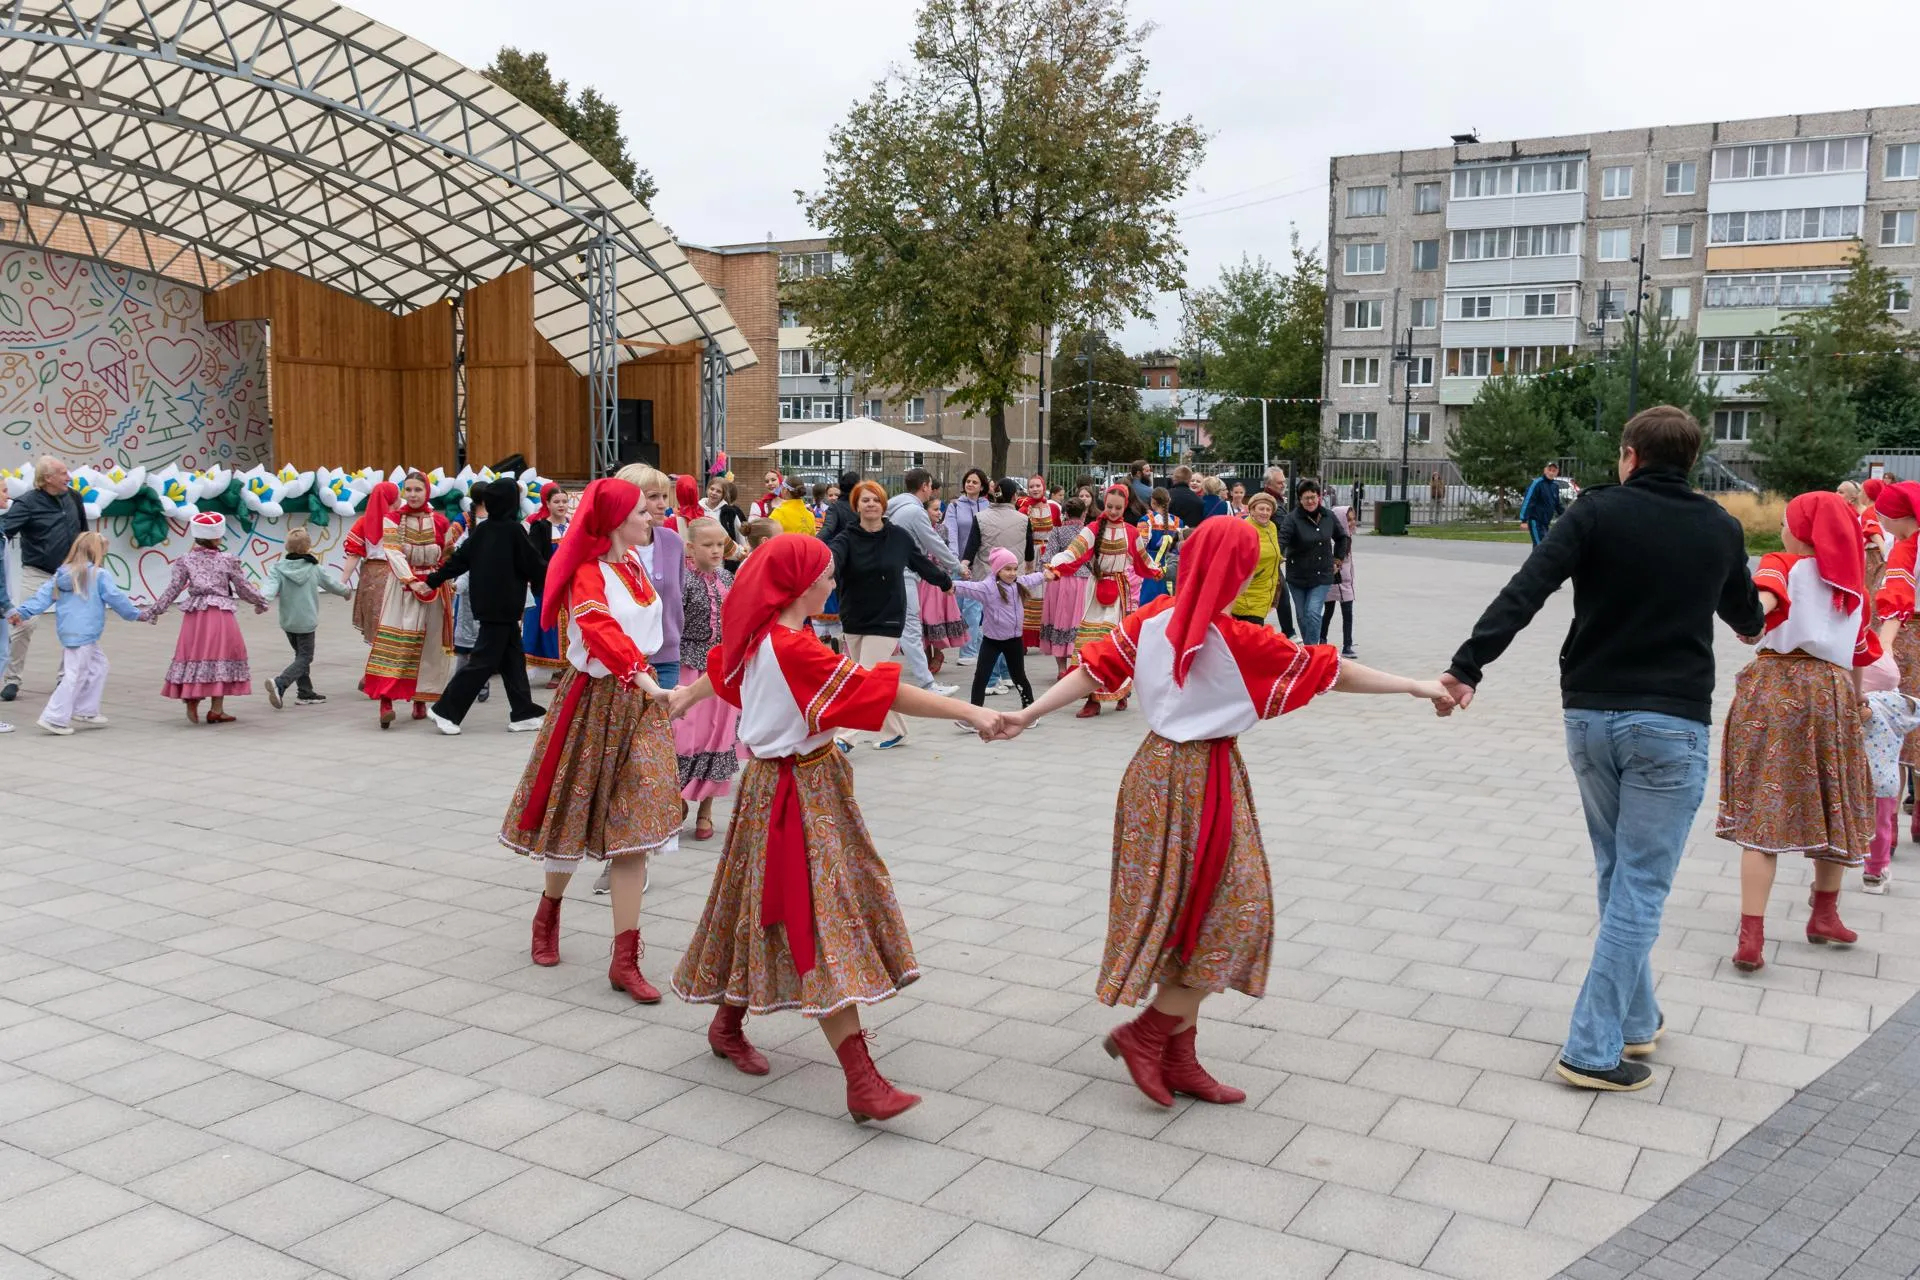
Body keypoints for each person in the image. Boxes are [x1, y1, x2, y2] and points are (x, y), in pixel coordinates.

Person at [1000, 518, 1452, 1107]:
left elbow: (1093, 670)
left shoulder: (1151, 619)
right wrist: (1417, 686)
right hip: (1201, 779)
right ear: (1239, 572)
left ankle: (1179, 1058)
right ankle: (1148, 1035)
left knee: (1184, 912)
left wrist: (1028, 716)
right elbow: (1331, 669)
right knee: (1238, 910)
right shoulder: (1237, 638)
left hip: (1149, 774)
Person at [1440, 406, 1764, 1093]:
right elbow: (1746, 617)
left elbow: (1526, 589)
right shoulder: (1719, 526)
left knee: (1621, 870)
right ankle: (1590, 1048)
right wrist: (1755, 605)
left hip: (1589, 716)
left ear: (1629, 456)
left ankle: (1636, 1020)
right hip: (1671, 725)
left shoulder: (1594, 514)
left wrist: (1468, 665)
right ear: (1691, 459)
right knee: (1642, 881)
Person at [667, 534, 1000, 1119]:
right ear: (799, 586)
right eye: (824, 574)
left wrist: (682, 698)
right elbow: (881, 689)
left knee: (758, 903)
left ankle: (727, 1023)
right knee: (818, 915)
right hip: (796, 792)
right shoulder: (790, 649)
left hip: (790, 785)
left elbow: (720, 668)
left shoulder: (765, 636)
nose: (831, 581)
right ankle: (860, 1078)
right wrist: (971, 712)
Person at [500, 477, 678, 1002]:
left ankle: (625, 959)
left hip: (639, 706)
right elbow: (599, 630)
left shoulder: (635, 565)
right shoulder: (587, 572)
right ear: (615, 519)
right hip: (594, 703)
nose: (651, 516)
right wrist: (647, 681)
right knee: (570, 816)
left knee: (637, 823)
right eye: (641, 510)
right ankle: (548, 913)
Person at [1720, 491, 1877, 971]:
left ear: (1801, 531)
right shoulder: (1852, 588)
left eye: (1789, 522)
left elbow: (1756, 616)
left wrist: (1753, 614)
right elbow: (1856, 657)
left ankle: (1752, 935)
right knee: (1834, 802)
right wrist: (1859, 701)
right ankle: (1824, 914)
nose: (1784, 530)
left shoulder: (1781, 563)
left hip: (1775, 686)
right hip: (1830, 693)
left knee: (1765, 811)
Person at [830, 481, 955, 749]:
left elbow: (920, 562)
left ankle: (845, 736)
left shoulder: (898, 537)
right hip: (854, 615)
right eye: (865, 500)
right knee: (873, 679)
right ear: (856, 506)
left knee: (863, 678)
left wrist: (945, 582)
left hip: (887, 616)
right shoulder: (846, 538)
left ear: (883, 504)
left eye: (875, 499)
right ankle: (895, 730)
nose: (871, 504)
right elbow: (833, 561)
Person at [421, 479, 548, 733]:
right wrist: (561, 577)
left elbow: (459, 560)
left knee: (513, 660)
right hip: (502, 608)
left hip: (492, 607)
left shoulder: (482, 530)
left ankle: (523, 712)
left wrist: (433, 581)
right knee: (482, 662)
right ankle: (445, 710)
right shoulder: (514, 531)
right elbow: (534, 565)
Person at [141, 513, 270, 724]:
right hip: (220, 615)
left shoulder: (185, 560)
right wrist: (259, 601)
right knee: (222, 657)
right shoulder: (227, 560)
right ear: (217, 537)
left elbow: (173, 589)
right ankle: (217, 709)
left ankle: (193, 697)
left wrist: (156, 610)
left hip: (195, 616)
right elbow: (243, 586)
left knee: (195, 655)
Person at [1047, 484, 1162, 718]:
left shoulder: (1131, 532)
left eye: (1118, 508)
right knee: (1090, 645)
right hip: (1095, 591)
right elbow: (1074, 552)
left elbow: (1142, 560)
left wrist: (1156, 570)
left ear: (1125, 506)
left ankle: (1118, 692)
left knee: (1113, 644)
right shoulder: (1092, 529)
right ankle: (1093, 698)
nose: (1113, 511)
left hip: (1119, 594)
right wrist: (1055, 566)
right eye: (1109, 506)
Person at [6, 532, 139, 734]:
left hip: (72, 631)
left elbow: (41, 597)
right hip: (84, 632)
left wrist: (22, 612)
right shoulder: (99, 575)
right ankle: (54, 717)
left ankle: (86, 709)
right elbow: (116, 598)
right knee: (75, 675)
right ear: (97, 552)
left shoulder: (61, 574)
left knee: (98, 666)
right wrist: (137, 615)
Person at [361, 471, 456, 729]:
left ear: (427, 492)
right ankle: (386, 700)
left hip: (434, 590)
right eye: (409, 490)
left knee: (430, 644)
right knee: (399, 641)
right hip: (404, 590)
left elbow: (448, 555)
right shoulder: (392, 519)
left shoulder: (440, 521)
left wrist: (439, 581)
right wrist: (412, 581)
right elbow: (392, 553)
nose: (413, 494)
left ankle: (420, 699)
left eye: (418, 489)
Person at [673, 519, 741, 842]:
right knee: (685, 736)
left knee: (719, 735)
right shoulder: (681, 581)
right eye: (708, 545)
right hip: (689, 666)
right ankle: (678, 799)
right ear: (690, 548)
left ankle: (706, 809)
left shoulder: (729, 578)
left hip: (722, 669)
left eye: (720, 545)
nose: (715, 551)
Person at [1, 455, 88, 702]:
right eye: (62, 473)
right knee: (23, 624)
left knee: (74, 628)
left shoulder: (73, 497)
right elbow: (4, 530)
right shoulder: (27, 503)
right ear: (47, 478)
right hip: (37, 573)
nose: (68, 477)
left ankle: (66, 678)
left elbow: (83, 533)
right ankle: (12, 680)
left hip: (71, 573)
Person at [1871, 482, 1920, 840]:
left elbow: (1897, 602)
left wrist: (1884, 647)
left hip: (1908, 641)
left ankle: (1888, 832)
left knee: (1898, 728)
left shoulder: (1906, 549)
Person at [887, 470, 963, 697]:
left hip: (896, 573)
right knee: (910, 628)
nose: (932, 489)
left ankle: (865, 677)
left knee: (896, 628)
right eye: (930, 485)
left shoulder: (896, 506)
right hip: (905, 574)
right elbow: (934, 542)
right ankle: (927, 685)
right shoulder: (914, 512)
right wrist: (957, 566)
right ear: (924, 486)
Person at [262, 526, 352, 707]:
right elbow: (331, 584)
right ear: (308, 546)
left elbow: (269, 588)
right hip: (306, 621)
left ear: (287, 546)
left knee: (300, 655)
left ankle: (305, 692)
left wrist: (263, 601)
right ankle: (281, 683)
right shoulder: (314, 568)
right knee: (305, 657)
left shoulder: (277, 568)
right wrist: (346, 592)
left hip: (288, 621)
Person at [951, 548, 1045, 712]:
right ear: (997, 570)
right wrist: (949, 584)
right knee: (981, 677)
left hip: (1014, 641)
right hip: (991, 642)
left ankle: (1030, 711)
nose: (1012, 573)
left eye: (1015, 569)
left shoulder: (1018, 584)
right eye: (1007, 569)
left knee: (1019, 677)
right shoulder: (987, 588)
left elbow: (1032, 579)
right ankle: (975, 714)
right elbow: (968, 587)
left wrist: (1046, 575)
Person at [961, 477, 1030, 695]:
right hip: (1013, 576)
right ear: (1014, 497)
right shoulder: (1023, 519)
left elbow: (972, 546)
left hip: (987, 576)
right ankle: (1008, 673)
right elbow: (1029, 553)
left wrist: (964, 566)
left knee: (990, 628)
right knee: (1009, 628)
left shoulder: (980, 517)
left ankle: (991, 678)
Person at [1860, 653, 1920, 893]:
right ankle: (1875, 872)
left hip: (1853, 779)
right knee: (1880, 827)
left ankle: (1828, 872)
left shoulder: (1853, 705)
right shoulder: (1899, 704)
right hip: (1885, 782)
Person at [1276, 480, 1350, 647]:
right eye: (1306, 498)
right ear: (1300, 499)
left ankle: (1312, 651)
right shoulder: (1292, 519)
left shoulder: (1328, 516)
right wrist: (1276, 555)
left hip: (1322, 575)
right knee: (1302, 616)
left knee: (1312, 613)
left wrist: (1338, 559)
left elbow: (1341, 537)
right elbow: (1282, 540)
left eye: (1313, 497)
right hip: (1298, 577)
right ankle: (1310, 649)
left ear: (1319, 497)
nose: (1310, 501)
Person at [341, 480, 399, 649]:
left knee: (376, 620)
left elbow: (353, 555)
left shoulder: (363, 522)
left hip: (370, 576)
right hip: (395, 573)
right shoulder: (400, 521)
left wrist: (343, 583)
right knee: (394, 620)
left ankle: (376, 666)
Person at [945, 469, 993, 671]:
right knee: (960, 606)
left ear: (982, 486)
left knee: (972, 609)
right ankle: (977, 643)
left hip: (981, 564)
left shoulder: (989, 506)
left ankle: (968, 651)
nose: (970, 484)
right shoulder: (955, 506)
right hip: (960, 562)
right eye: (968, 481)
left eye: (974, 482)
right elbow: (951, 532)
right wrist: (957, 561)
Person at [523, 484, 571, 686]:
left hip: (572, 583)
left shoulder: (573, 525)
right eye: (556, 502)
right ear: (547, 504)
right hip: (549, 584)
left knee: (572, 624)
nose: (561, 505)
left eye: (564, 501)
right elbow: (534, 556)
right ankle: (557, 669)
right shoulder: (541, 527)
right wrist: (553, 571)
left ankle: (569, 668)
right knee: (552, 626)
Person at [917, 496, 968, 670]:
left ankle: (939, 652)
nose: (939, 513)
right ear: (924, 511)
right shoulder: (916, 528)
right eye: (935, 509)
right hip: (920, 578)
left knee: (937, 615)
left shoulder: (942, 529)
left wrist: (947, 572)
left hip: (938, 578)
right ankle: (924, 654)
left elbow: (944, 552)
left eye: (940, 509)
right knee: (921, 617)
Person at [1040, 497, 1089, 677]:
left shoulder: (1057, 532)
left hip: (1059, 580)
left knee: (1059, 620)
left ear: (1065, 514)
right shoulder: (1087, 532)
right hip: (1082, 581)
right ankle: (1078, 666)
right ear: (1084, 513)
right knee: (1079, 623)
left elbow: (1047, 558)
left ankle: (1061, 668)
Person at [1020, 475, 1063, 650]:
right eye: (1031, 486)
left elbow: (1059, 530)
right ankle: (1024, 639)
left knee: (1047, 595)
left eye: (1038, 486)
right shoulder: (1023, 509)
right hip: (1030, 554)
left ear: (1044, 487)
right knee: (1029, 595)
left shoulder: (1053, 508)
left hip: (1049, 554)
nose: (1035, 489)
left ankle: (1045, 636)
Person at [1231, 492, 1284, 628]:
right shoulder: (1244, 528)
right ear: (1252, 510)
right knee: (1249, 642)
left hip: (1264, 593)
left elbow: (1268, 550)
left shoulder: (1271, 527)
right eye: (1261, 509)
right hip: (1247, 596)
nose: (1265, 513)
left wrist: (1277, 558)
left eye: (1268, 509)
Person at [1257, 467, 1295, 634]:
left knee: (1279, 592)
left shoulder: (1277, 501)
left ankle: (1287, 631)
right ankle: (1288, 632)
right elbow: (1286, 525)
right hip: (1267, 556)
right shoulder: (1271, 503)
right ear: (1269, 484)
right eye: (1279, 482)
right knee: (1280, 593)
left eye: (1284, 482)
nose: (1283, 485)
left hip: (1272, 555)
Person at [1321, 504, 1358, 658]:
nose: (1351, 523)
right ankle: (1322, 639)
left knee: (1347, 613)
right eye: (1348, 520)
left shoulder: (1347, 537)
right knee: (1328, 611)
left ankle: (1347, 644)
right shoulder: (1334, 539)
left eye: (1353, 519)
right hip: (1335, 579)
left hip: (1346, 581)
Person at [1137, 489, 1180, 604]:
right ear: (1169, 501)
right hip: (1171, 564)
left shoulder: (1146, 520)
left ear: (1153, 502)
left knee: (1147, 602)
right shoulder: (1178, 522)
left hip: (1150, 564)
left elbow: (1140, 545)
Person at [1520, 462, 1564, 545]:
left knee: (1543, 546)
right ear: (1545, 470)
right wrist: (1524, 520)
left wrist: (1566, 516)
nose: (1551, 472)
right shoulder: (1537, 483)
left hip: (1546, 522)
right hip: (1536, 521)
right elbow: (1528, 501)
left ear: (1557, 472)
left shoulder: (1555, 486)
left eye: (1554, 471)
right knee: (1540, 546)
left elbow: (1558, 504)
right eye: (1549, 470)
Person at [816, 470, 861, 544]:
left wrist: (814, 542)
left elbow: (828, 528)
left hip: (840, 547)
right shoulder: (861, 505)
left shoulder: (835, 507)